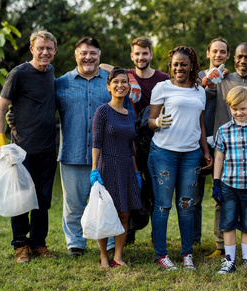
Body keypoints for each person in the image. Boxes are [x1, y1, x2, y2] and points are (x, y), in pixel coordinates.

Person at [0, 30, 58, 263]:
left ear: (55, 51)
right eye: (40, 48)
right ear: (32, 49)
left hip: (49, 148)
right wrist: (1, 145)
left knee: (42, 199)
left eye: (49, 48)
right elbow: (0, 109)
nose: (45, 52)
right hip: (21, 151)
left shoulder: (51, 72)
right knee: (21, 198)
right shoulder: (18, 73)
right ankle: (20, 245)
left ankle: (38, 244)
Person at [147, 46, 213, 271]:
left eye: (183, 64)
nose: (179, 68)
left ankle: (187, 254)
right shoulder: (161, 87)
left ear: (192, 65)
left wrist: (205, 151)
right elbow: (150, 120)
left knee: (186, 206)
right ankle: (161, 255)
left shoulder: (199, 90)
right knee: (163, 206)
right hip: (164, 152)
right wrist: (157, 123)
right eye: (175, 64)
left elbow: (200, 124)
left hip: (191, 154)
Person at [101, 37, 170, 244]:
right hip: (130, 141)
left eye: (145, 53)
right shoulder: (126, 77)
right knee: (129, 188)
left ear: (151, 54)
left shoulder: (162, 78)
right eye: (137, 54)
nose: (141, 57)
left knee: (157, 190)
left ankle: (156, 235)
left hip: (156, 142)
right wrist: (127, 77)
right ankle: (128, 233)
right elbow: (103, 66)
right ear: (132, 56)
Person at [206, 42, 247, 260]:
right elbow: (201, 89)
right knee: (221, 200)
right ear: (233, 58)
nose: (243, 61)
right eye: (240, 57)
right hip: (223, 147)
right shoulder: (222, 78)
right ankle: (220, 245)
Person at [56, 37, 119, 257]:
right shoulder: (61, 83)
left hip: (106, 154)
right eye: (83, 53)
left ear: (99, 55)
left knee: (109, 201)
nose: (88, 57)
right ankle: (75, 243)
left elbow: (125, 111)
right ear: (76, 55)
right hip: (72, 151)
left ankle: (111, 242)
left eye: (93, 53)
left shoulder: (111, 82)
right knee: (73, 204)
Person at [212, 86, 247, 274]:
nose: (239, 112)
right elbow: (219, 157)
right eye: (234, 108)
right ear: (229, 107)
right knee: (228, 223)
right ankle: (229, 261)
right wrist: (216, 183)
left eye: (243, 108)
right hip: (229, 185)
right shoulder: (224, 130)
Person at [91, 67, 143, 269]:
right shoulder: (102, 111)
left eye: (124, 82)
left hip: (126, 167)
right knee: (105, 213)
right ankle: (104, 256)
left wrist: (136, 171)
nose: (120, 85)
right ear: (109, 87)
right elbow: (96, 142)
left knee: (124, 213)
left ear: (129, 87)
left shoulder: (129, 113)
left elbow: (131, 146)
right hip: (107, 167)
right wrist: (94, 169)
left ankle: (118, 256)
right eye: (116, 82)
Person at [194, 38, 231, 246]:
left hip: (222, 144)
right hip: (195, 142)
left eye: (223, 52)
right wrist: (207, 80)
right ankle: (194, 241)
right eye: (214, 51)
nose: (218, 55)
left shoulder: (231, 78)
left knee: (223, 196)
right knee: (194, 197)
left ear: (227, 55)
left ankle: (221, 243)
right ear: (208, 53)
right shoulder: (196, 77)